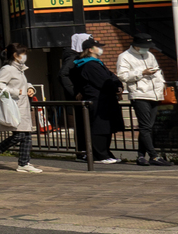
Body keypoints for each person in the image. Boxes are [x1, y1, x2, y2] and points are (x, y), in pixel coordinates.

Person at [0, 44, 41, 173]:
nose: (25, 56)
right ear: (15, 55)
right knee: (20, 134)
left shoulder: (19, 69)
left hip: (22, 105)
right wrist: (16, 92)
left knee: (26, 135)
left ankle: (24, 163)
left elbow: (24, 83)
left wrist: (30, 88)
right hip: (14, 106)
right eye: (23, 53)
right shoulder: (8, 69)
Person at [115, 38, 167, 166]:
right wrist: (142, 73)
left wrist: (162, 83)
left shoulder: (150, 55)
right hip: (139, 94)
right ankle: (154, 156)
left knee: (148, 127)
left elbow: (158, 71)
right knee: (145, 127)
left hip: (155, 94)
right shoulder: (125, 56)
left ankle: (141, 156)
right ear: (136, 46)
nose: (147, 49)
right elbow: (122, 75)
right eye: (145, 46)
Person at [70, 39, 122, 164]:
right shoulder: (89, 65)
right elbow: (105, 81)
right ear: (90, 49)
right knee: (99, 128)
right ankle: (99, 155)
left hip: (103, 100)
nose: (100, 49)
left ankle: (105, 153)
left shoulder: (95, 63)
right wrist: (115, 87)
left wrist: (118, 86)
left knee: (105, 127)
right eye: (97, 46)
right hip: (98, 100)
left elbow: (112, 77)